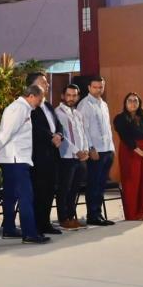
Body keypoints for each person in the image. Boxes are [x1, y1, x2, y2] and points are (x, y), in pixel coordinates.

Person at [0, 85, 50, 244]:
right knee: (26, 196)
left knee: (10, 196)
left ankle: (9, 229)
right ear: (31, 96)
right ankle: (30, 233)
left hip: (14, 158)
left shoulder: (21, 108)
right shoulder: (19, 109)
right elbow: (6, 132)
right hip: (15, 159)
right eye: (40, 98)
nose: (40, 102)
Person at [26, 73, 64, 235]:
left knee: (49, 190)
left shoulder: (48, 106)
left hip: (53, 154)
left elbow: (58, 125)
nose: (47, 84)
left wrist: (59, 135)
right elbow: (34, 128)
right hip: (38, 155)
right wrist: (51, 137)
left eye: (47, 82)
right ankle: (36, 225)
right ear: (32, 86)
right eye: (43, 82)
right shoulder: (28, 106)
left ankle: (45, 223)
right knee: (39, 190)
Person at [77, 76, 116, 226]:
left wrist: (111, 148)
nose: (98, 89)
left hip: (107, 150)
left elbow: (107, 128)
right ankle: (92, 215)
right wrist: (91, 148)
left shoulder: (103, 104)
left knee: (101, 184)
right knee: (93, 184)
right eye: (95, 87)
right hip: (96, 151)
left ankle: (98, 214)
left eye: (101, 87)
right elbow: (83, 129)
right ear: (89, 88)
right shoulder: (84, 105)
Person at [113, 92, 143, 221]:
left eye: (135, 101)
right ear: (125, 103)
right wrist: (140, 151)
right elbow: (125, 137)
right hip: (130, 151)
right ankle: (131, 214)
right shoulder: (120, 118)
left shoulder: (142, 118)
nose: (133, 103)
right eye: (130, 101)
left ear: (139, 104)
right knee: (131, 182)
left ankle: (142, 213)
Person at [55, 84, 90, 230]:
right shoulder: (58, 112)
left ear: (78, 96)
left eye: (74, 95)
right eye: (68, 95)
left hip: (80, 158)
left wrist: (86, 150)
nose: (71, 98)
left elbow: (83, 133)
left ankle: (71, 216)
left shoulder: (77, 114)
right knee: (64, 189)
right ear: (63, 96)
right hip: (66, 156)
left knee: (75, 189)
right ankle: (63, 219)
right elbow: (62, 136)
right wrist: (77, 150)